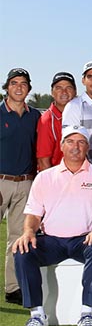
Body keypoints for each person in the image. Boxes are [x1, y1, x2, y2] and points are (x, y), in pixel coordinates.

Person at [13, 125, 92, 326]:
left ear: (87, 146)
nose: (75, 147)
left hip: (84, 239)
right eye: (70, 141)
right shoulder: (45, 177)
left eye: (81, 142)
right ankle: (37, 315)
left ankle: (86, 313)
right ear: (61, 146)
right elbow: (33, 213)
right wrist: (28, 232)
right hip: (51, 241)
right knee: (22, 250)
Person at [1, 67, 40, 305]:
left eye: (23, 83)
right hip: (1, 181)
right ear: (7, 87)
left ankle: (13, 288)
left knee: (17, 238)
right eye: (14, 83)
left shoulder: (35, 116)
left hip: (25, 183)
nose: (19, 87)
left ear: (28, 88)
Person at [36, 72, 77, 170]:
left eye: (69, 87)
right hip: (59, 179)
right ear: (52, 92)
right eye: (58, 88)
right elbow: (43, 160)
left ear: (75, 92)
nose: (64, 92)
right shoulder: (47, 120)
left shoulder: (79, 114)